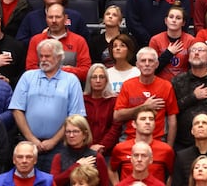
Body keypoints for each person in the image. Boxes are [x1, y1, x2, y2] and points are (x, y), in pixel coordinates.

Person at [9, 40, 86, 171]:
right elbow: (17, 110)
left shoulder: (71, 80)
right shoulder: (27, 77)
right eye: (41, 56)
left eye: (47, 56)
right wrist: (31, 139)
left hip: (60, 145)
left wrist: (54, 141)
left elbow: (75, 117)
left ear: (59, 57)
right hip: (28, 145)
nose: (43, 60)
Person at [114, 47, 179, 144]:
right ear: (137, 65)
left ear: (157, 64)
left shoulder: (166, 86)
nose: (147, 64)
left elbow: (172, 119)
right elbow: (117, 116)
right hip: (130, 139)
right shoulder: (127, 85)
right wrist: (144, 107)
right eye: (143, 61)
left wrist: (169, 147)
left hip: (158, 140)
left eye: (151, 61)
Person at [25, 3, 92, 81]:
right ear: (46, 19)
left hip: (70, 86)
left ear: (65, 18)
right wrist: (57, 71)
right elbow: (30, 69)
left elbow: (86, 71)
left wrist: (63, 71)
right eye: (50, 17)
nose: (54, 21)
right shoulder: (36, 40)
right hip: (41, 85)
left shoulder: (79, 41)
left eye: (57, 17)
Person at [109, 106, 175, 184]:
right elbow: (111, 169)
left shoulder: (166, 150)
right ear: (134, 124)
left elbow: (173, 174)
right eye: (143, 119)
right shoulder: (120, 148)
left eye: (151, 119)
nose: (147, 122)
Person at [49, 115, 109, 186]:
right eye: (68, 132)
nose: (71, 135)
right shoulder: (59, 157)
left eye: (75, 131)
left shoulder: (97, 157)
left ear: (84, 134)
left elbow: (104, 184)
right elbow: (53, 182)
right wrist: (77, 166)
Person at [148, 3, 195, 80]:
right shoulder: (155, 40)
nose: (174, 20)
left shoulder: (191, 40)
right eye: (171, 17)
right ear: (166, 20)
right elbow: (151, 68)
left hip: (184, 84)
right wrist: (168, 53)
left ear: (183, 23)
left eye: (178, 18)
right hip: (161, 83)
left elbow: (193, 67)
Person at [83, 64, 122, 154]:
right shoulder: (82, 100)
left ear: (106, 80)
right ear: (89, 80)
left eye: (101, 77)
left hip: (107, 150)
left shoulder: (114, 100)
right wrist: (89, 147)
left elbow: (116, 127)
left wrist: (103, 146)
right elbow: (79, 126)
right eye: (94, 77)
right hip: (84, 149)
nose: (98, 80)